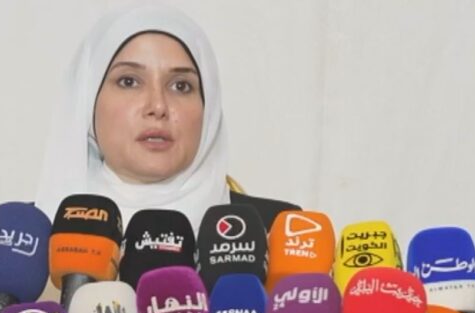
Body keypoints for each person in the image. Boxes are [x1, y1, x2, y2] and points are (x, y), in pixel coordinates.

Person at [33, 4, 299, 231]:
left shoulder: (277, 231)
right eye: (129, 81)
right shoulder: (30, 238)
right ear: (88, 100)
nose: (158, 106)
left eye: (181, 86)